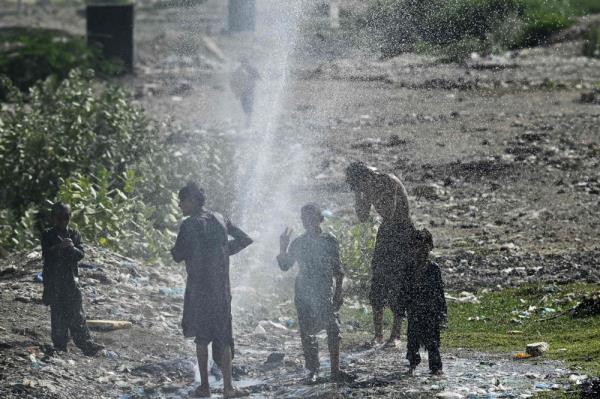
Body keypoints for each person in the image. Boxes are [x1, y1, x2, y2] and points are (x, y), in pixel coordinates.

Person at [171, 182, 253, 398]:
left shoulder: (189, 224)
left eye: (182, 200)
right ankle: (228, 387)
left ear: (193, 200)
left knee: (201, 338)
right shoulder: (220, 218)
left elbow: (177, 255)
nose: (180, 205)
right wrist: (225, 252)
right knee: (224, 336)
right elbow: (245, 239)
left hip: (200, 289)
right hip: (221, 289)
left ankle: (205, 387)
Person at [277, 203, 353, 383]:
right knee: (307, 331)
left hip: (324, 290)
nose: (307, 222)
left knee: (333, 328)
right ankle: (313, 371)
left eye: (311, 218)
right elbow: (285, 266)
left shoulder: (329, 240)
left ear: (320, 219)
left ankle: (335, 370)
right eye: (304, 219)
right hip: (303, 291)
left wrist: (339, 292)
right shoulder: (298, 243)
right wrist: (282, 247)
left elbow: (338, 269)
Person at [345, 161, 416, 346]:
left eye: (358, 184)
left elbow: (389, 212)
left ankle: (396, 335)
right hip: (386, 233)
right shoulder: (366, 187)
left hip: (402, 232)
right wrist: (359, 196)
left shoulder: (387, 181)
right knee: (377, 282)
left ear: (364, 177)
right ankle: (377, 335)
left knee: (397, 283)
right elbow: (363, 217)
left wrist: (368, 192)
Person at [41, 202, 104, 356]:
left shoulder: (74, 234)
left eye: (66, 217)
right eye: (59, 217)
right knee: (58, 316)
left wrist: (71, 248)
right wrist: (59, 248)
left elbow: (80, 255)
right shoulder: (48, 235)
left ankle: (86, 345)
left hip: (70, 281)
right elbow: (46, 255)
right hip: (54, 282)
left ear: (70, 217)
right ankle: (60, 346)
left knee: (77, 313)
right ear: (53, 218)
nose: (63, 221)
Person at [406, 228, 446, 375]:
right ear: (412, 248)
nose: (421, 251)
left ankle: (436, 368)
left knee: (432, 341)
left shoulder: (434, 269)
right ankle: (412, 365)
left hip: (430, 311)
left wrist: (442, 313)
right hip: (414, 310)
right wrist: (401, 306)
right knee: (412, 340)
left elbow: (439, 293)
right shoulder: (409, 268)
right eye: (417, 247)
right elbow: (405, 290)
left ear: (430, 248)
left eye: (425, 247)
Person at [229, 56, 260, 127]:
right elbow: (233, 81)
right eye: (243, 62)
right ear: (241, 63)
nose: (244, 64)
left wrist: (252, 75)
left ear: (247, 62)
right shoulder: (238, 70)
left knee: (248, 107)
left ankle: (248, 123)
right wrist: (235, 91)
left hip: (250, 92)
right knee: (244, 108)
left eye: (245, 62)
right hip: (242, 92)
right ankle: (246, 122)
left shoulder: (252, 69)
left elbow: (259, 77)